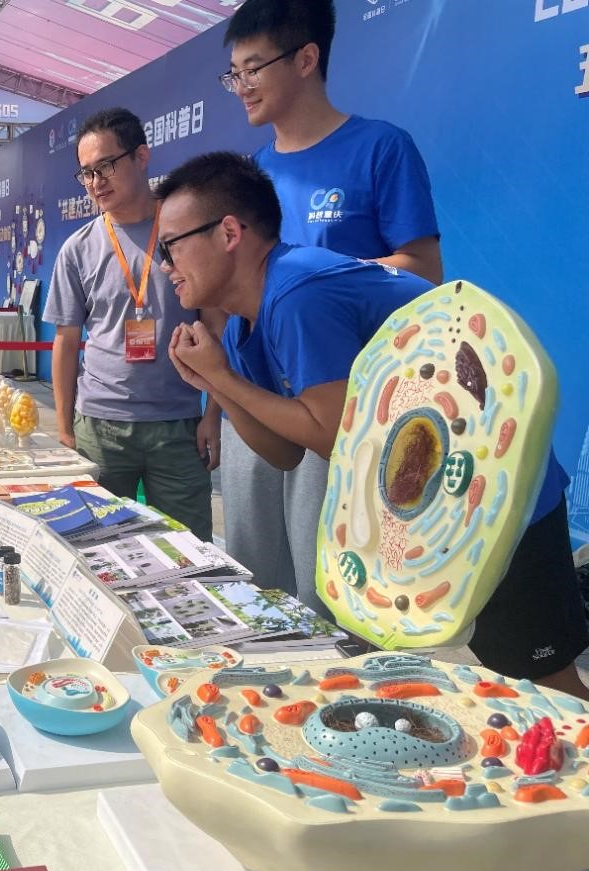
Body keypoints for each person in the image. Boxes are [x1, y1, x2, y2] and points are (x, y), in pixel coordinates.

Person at [158, 152, 588, 698]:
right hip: (439, 499)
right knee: (508, 680)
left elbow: (335, 434)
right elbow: (286, 453)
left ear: (228, 232)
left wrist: (223, 378)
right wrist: (216, 381)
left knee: (549, 687)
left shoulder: (297, 292)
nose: (165, 265)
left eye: (172, 245)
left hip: (497, 490)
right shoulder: (246, 321)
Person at [214, 0, 443, 613]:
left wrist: (322, 282)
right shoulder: (248, 177)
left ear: (306, 58)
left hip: (340, 407)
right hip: (255, 399)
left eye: (254, 68)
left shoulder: (380, 148)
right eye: (234, 73)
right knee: (253, 585)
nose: (242, 86)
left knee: (329, 594)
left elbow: (423, 273)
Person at [43, 107, 217, 541]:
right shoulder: (78, 248)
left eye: (106, 166)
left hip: (178, 426)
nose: (96, 182)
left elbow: (216, 325)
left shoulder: (185, 233)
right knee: (95, 548)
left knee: (190, 548)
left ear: (141, 157)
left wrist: (213, 414)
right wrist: (64, 429)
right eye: (86, 173)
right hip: (99, 427)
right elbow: (66, 341)